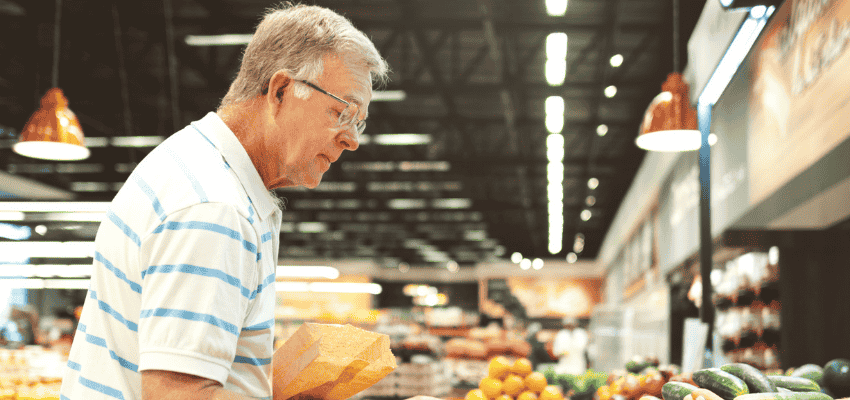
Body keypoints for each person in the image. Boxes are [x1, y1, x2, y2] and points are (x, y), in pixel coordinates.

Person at [59, 4, 435, 400]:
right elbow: (180, 394)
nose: (352, 139)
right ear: (281, 91)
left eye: (359, 122)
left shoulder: (198, 166)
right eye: (343, 112)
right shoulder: (216, 208)